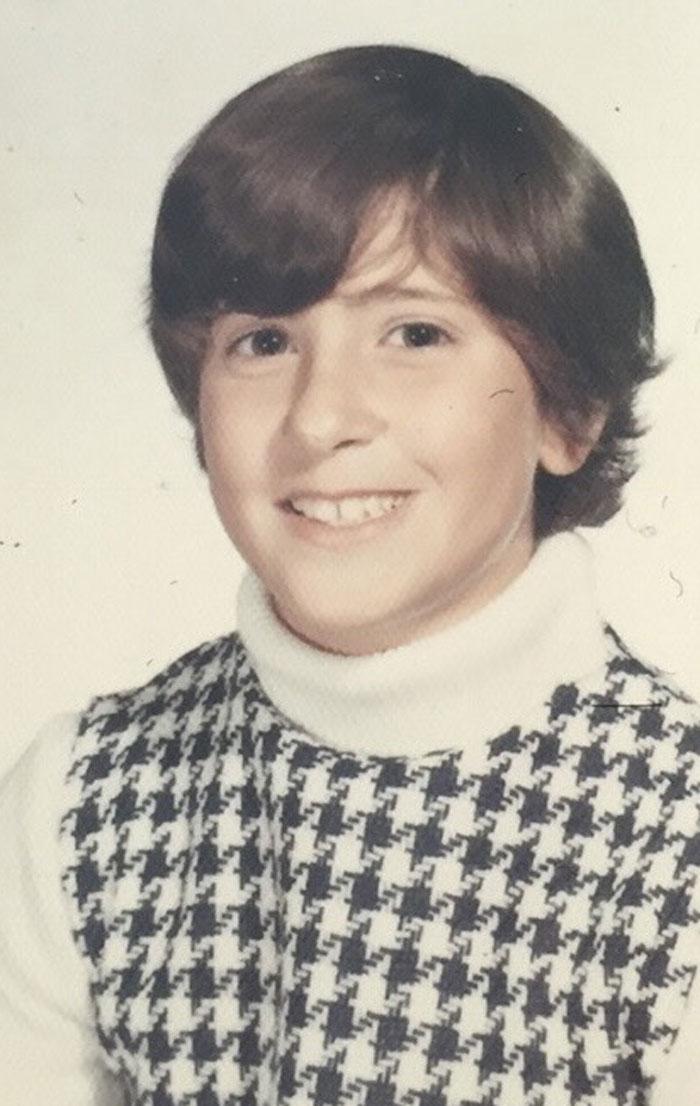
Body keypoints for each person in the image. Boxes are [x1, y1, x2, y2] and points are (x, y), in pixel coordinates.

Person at [1, 43, 698, 1106]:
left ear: (567, 409)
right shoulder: (80, 803)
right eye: (264, 340)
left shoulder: (669, 835)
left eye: (414, 332)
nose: (322, 415)